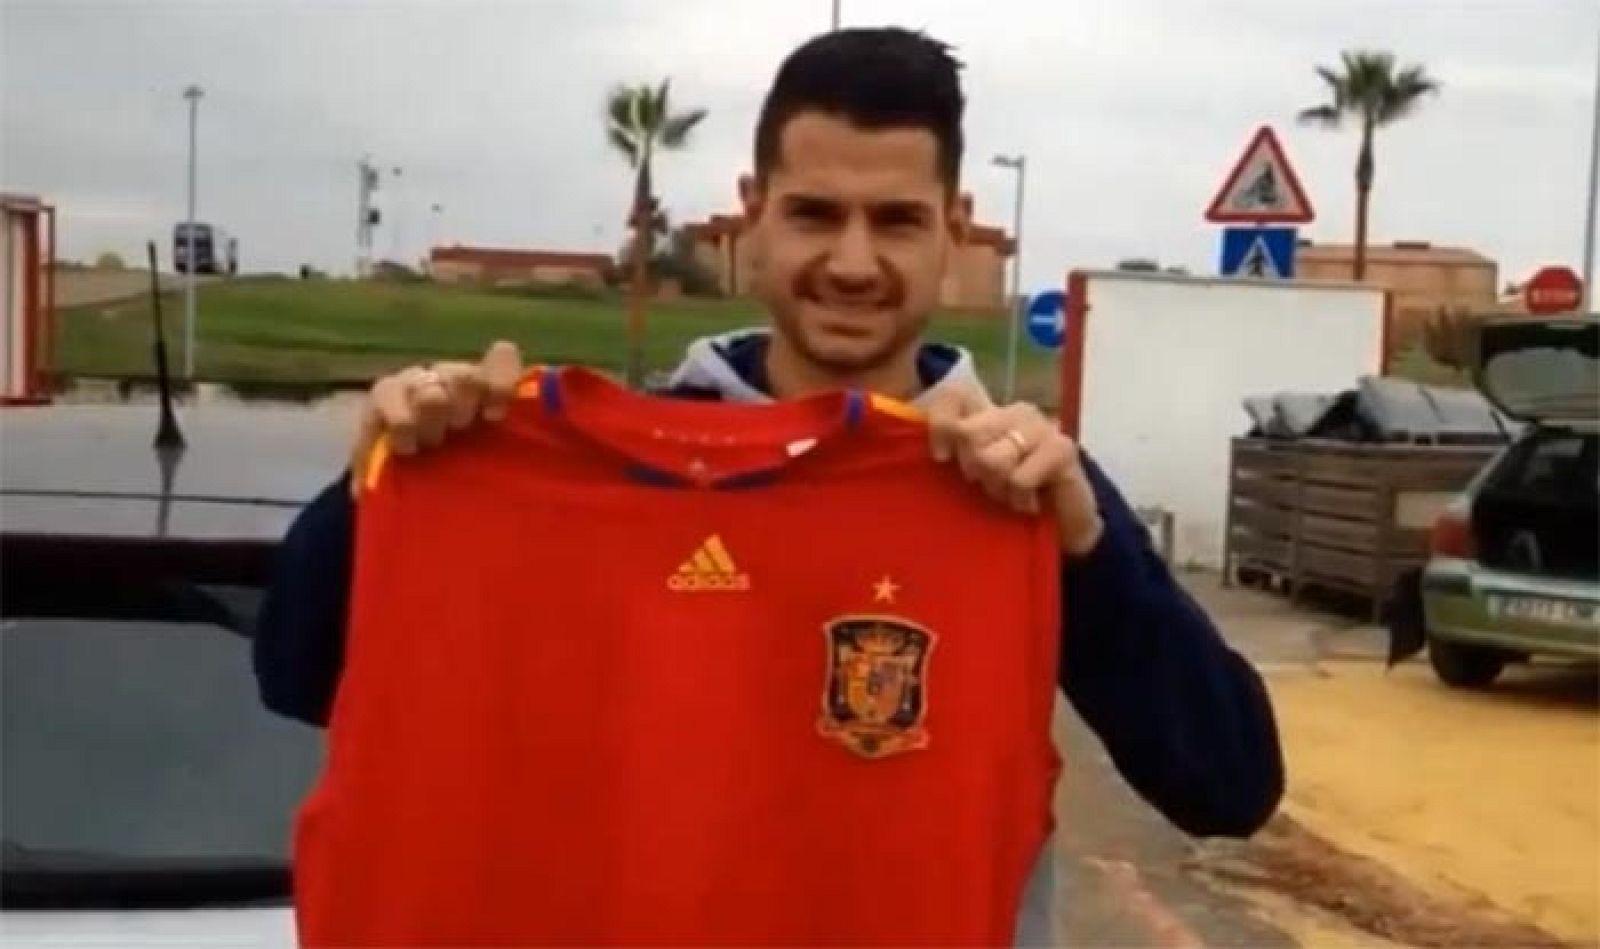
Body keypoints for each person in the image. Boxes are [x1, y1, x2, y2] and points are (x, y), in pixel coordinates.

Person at [256, 26, 1283, 944]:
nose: (850, 261)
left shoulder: (1018, 486)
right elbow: (293, 675)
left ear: (953, 226)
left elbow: (1229, 786)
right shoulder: (604, 471)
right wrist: (375, 488)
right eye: (813, 213)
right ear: (751, 214)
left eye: (894, 220)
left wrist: (1089, 555)